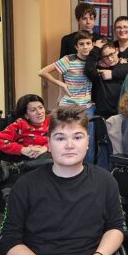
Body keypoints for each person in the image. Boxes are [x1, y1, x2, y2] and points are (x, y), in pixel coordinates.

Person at [0, 106, 126, 255]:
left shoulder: (105, 181)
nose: (69, 145)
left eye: (77, 137)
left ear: (88, 142)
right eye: (60, 138)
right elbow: (8, 241)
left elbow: (116, 227)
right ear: (48, 144)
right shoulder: (25, 185)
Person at [38, 30, 95, 162]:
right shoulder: (69, 59)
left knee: (87, 141)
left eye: (88, 43)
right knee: (65, 137)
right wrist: (61, 84)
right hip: (69, 105)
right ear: (76, 46)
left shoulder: (93, 60)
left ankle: (86, 169)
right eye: (81, 44)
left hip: (87, 106)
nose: (85, 47)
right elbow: (42, 72)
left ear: (92, 45)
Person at [84, 41, 128, 119]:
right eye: (105, 56)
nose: (110, 59)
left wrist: (113, 74)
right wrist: (96, 49)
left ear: (117, 51)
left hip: (122, 114)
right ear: (101, 58)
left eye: (111, 54)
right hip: (102, 115)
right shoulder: (99, 69)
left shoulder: (125, 66)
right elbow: (88, 70)